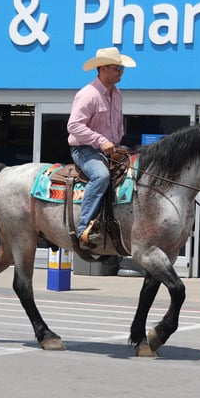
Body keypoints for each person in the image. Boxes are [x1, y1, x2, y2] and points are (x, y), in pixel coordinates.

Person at [67, 46, 136, 248]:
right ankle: (84, 230)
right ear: (103, 68)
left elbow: (117, 125)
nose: (121, 72)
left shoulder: (117, 94)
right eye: (117, 68)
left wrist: (117, 146)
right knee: (101, 176)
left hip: (111, 149)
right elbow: (73, 125)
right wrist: (100, 141)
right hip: (85, 149)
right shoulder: (88, 94)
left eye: (122, 68)